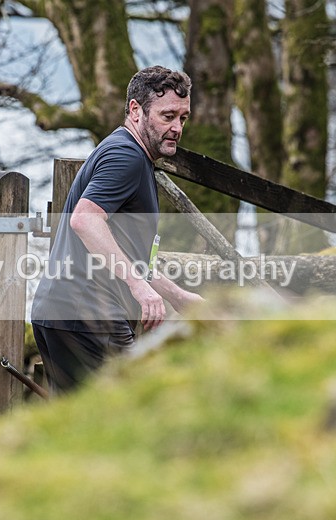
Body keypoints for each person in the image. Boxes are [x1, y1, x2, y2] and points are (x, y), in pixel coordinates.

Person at [31, 65, 204, 393]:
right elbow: (85, 219)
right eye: (168, 116)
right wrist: (139, 288)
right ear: (136, 110)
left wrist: (178, 296)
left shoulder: (128, 153)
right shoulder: (127, 156)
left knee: (83, 431)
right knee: (132, 416)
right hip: (89, 314)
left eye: (183, 118)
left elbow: (130, 255)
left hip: (62, 311)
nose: (177, 128)